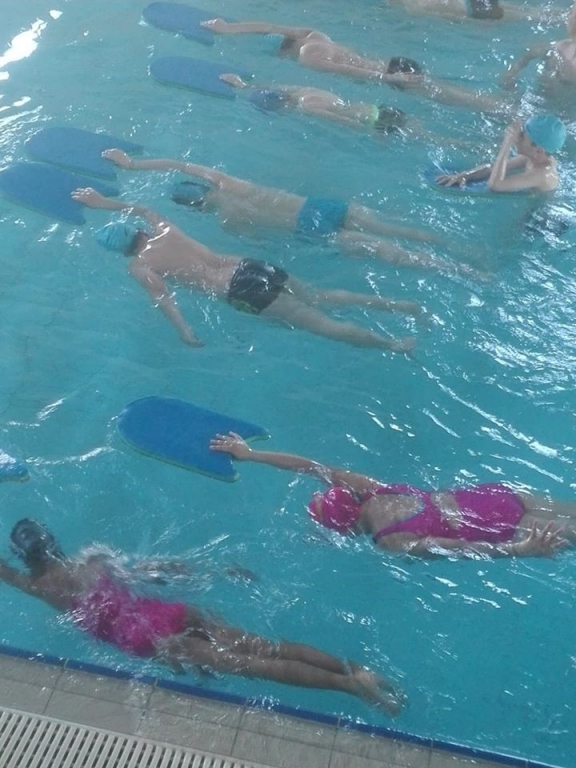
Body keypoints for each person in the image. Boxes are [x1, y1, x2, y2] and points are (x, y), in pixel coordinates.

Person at [0, 519, 403, 713]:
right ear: (53, 540)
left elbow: (5, 573)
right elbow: (158, 570)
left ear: (24, 556)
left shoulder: (40, 587)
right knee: (267, 647)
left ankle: (349, 687)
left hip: (154, 640)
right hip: (172, 613)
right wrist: (217, 571)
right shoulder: (93, 559)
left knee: (256, 666)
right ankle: (355, 670)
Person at [71, 187, 418, 352]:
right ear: (137, 231)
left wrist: (184, 331)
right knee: (320, 296)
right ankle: (399, 305)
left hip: (239, 291)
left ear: (121, 252)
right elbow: (143, 208)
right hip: (249, 264)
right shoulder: (163, 228)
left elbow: (163, 299)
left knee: (323, 325)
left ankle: (393, 345)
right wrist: (101, 203)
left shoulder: (140, 266)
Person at [102, 148, 474, 276]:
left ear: (197, 209)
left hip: (308, 228)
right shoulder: (229, 182)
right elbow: (180, 163)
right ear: (205, 187)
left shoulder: (229, 222)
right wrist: (133, 165)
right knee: (399, 230)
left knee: (394, 254)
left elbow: (269, 244)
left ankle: (462, 271)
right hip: (316, 206)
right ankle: (457, 247)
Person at [210, 432, 572, 559]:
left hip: (499, 529)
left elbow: (464, 549)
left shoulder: (391, 540)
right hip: (492, 497)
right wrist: (250, 454)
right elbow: (310, 466)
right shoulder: (373, 490)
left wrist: (521, 551)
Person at [201, 18, 511, 112]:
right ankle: (499, 104)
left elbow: (346, 71)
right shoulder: (313, 34)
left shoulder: (307, 56)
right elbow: (267, 26)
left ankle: (500, 111)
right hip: (396, 62)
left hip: (390, 73)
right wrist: (228, 28)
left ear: (282, 53)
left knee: (448, 98)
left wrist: (388, 80)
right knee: (448, 88)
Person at [436, 114, 566, 193]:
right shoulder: (532, 158)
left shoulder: (543, 174)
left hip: (542, 219)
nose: (517, 137)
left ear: (538, 150)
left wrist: (507, 143)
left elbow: (495, 185)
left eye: (522, 136)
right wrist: (465, 176)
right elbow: (492, 168)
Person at [500, 3, 576, 116]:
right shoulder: (562, 46)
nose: (567, 17)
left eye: (571, 15)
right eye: (570, 14)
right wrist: (512, 72)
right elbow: (531, 53)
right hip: (536, 100)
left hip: (561, 112)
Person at [388, 0, 559, 22]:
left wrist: (476, 23)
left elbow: (450, 17)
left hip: (473, 11)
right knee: (528, 11)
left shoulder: (413, 8)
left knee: (528, 16)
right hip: (472, 2)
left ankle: (564, 19)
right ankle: (565, 15)